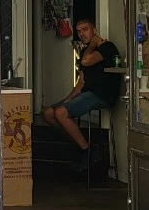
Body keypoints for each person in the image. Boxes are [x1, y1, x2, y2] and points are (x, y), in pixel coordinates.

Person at [43, 19, 121, 161]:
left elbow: (86, 61)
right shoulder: (86, 51)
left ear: (94, 30)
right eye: (79, 31)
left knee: (61, 113)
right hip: (87, 93)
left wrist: (94, 43)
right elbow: (81, 82)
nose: (81, 34)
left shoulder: (107, 47)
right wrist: (69, 98)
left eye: (85, 29)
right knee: (48, 113)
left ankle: (87, 152)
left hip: (102, 95)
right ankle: (77, 142)